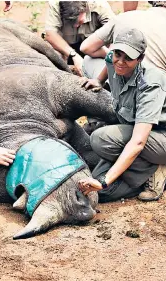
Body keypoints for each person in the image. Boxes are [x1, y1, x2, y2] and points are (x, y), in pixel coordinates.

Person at [78, 28, 166, 203]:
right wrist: (99, 80)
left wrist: (104, 181)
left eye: (128, 58)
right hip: (134, 132)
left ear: (140, 58)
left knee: (101, 139)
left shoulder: (150, 82)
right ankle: (141, 174)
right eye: (118, 54)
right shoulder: (113, 59)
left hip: (159, 137)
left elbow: (138, 141)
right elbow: (109, 63)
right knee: (98, 193)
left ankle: (157, 168)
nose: (120, 62)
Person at [81, 1, 166, 77]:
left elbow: (86, 47)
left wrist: (115, 56)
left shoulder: (125, 17)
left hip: (143, 83)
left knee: (88, 60)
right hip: (155, 85)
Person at [44, 0, 114, 76]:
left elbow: (115, 32)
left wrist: (110, 56)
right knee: (52, 56)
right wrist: (74, 55)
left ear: (85, 8)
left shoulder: (100, 5)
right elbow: (50, 34)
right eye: (70, 21)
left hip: (93, 47)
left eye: (78, 21)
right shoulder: (55, 4)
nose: (75, 26)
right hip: (65, 46)